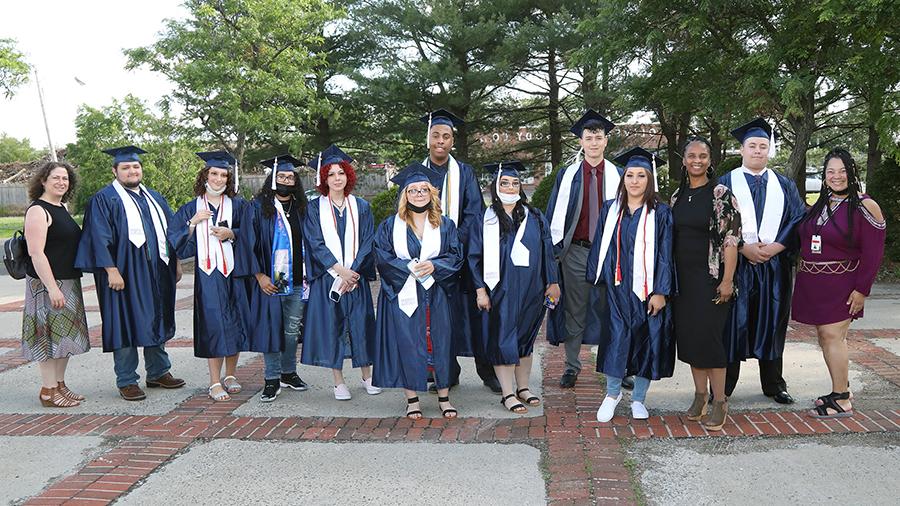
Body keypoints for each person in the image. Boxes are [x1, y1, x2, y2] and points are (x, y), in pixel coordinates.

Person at [75, 146, 185, 401]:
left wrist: (176, 263)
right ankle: (127, 380)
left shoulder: (154, 198)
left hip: (157, 271)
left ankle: (158, 372)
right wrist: (111, 270)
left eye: (135, 166)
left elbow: (170, 233)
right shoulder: (103, 199)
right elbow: (98, 238)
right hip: (122, 274)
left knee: (156, 316)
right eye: (125, 167)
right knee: (124, 322)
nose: (132, 171)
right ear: (115, 171)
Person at [793, 148, 885, 418]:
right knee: (825, 337)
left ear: (852, 173)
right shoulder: (822, 203)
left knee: (833, 336)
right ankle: (840, 387)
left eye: (843, 171)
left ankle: (842, 399)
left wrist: (862, 290)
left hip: (844, 285)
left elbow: (874, 252)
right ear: (824, 176)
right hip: (815, 285)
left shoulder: (865, 205)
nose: (837, 176)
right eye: (831, 171)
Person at [719, 118, 805, 404]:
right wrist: (743, 247)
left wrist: (776, 248)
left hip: (774, 266)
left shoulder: (784, 184)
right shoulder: (726, 182)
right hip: (738, 265)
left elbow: (797, 219)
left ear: (770, 151)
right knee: (733, 324)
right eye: (752, 146)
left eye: (763, 146)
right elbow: (716, 223)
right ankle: (724, 386)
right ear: (741, 149)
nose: (757, 151)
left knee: (773, 321)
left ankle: (774, 384)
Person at [587, 147, 675, 422]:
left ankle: (639, 399)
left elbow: (665, 253)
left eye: (641, 175)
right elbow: (600, 246)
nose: (635, 181)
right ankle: (612, 395)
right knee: (616, 340)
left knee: (647, 343)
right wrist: (597, 279)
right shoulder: (610, 209)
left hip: (648, 290)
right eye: (630, 175)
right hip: (617, 289)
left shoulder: (660, 213)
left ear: (649, 180)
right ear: (623, 178)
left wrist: (660, 291)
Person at [467, 161, 560, 414]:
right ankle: (507, 393)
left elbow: (547, 251)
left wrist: (552, 282)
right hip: (500, 291)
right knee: (503, 339)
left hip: (532, 288)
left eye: (514, 182)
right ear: (495, 186)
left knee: (526, 339)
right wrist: (480, 290)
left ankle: (523, 387)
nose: (510, 186)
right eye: (504, 182)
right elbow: (473, 257)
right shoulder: (483, 220)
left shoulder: (536, 216)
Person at [372, 163, 463, 419]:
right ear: (405, 195)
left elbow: (456, 256)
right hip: (404, 293)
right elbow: (382, 255)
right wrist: (409, 267)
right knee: (407, 343)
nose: (419, 194)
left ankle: (444, 397)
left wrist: (434, 265)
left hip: (437, 292)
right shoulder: (391, 225)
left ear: (432, 193)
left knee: (441, 342)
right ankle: (412, 398)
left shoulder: (445, 225)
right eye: (413, 190)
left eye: (424, 189)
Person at [420, 109, 500, 393]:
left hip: (463, 256)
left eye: (447, 136)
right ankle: (447, 371)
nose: (441, 141)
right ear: (428, 138)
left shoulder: (464, 173)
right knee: (439, 316)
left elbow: (474, 214)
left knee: (476, 316)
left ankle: (487, 371)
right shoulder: (417, 173)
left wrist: (451, 243)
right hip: (429, 259)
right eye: (436, 135)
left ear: (453, 141)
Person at [545, 110, 623, 388]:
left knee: (614, 309)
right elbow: (553, 213)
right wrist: (553, 255)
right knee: (575, 310)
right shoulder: (567, 176)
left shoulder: (620, 175)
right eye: (588, 138)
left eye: (598, 138)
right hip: (576, 252)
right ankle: (571, 366)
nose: (593, 143)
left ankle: (618, 366)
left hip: (612, 252)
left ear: (606, 142)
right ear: (580, 141)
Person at [670, 137, 741, 431]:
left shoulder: (721, 194)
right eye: (691, 155)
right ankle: (699, 396)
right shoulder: (677, 195)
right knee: (689, 340)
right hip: (681, 280)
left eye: (702, 156)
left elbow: (731, 240)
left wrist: (727, 280)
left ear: (710, 160)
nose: (696, 160)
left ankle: (719, 400)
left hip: (710, 278)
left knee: (710, 341)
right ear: (684, 159)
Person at [168, 151, 250, 402]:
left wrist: (232, 233)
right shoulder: (191, 207)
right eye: (214, 173)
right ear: (205, 176)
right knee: (213, 325)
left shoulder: (238, 205)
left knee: (235, 323)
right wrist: (192, 223)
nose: (218, 178)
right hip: (208, 275)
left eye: (223, 174)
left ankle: (231, 375)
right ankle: (215, 381)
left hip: (235, 273)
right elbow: (175, 243)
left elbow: (253, 234)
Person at [301, 145, 381, 401]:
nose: (337, 178)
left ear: (348, 176)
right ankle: (338, 382)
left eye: (341, 173)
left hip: (354, 279)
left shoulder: (362, 207)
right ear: (324, 179)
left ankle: (367, 376)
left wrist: (353, 271)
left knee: (361, 325)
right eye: (331, 174)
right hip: (330, 278)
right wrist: (340, 271)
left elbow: (369, 240)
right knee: (333, 327)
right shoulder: (314, 209)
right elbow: (315, 243)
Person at [240, 155, 310, 402]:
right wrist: (259, 276)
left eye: (290, 177)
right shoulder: (258, 207)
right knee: (271, 331)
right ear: (272, 179)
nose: (286, 180)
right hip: (272, 281)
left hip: (299, 280)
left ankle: (288, 373)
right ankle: (271, 378)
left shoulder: (303, 207)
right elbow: (248, 243)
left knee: (291, 331)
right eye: (281, 176)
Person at [22, 161, 91, 407]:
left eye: (65, 179)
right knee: (47, 338)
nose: (62, 182)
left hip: (68, 281)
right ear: (43, 181)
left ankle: (60, 385)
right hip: (46, 284)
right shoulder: (38, 210)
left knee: (65, 339)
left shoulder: (61, 207)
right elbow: (36, 253)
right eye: (56, 178)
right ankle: (48, 391)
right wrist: (52, 287)